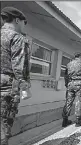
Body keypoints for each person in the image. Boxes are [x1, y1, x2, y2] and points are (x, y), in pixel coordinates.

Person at [1, 7, 31, 145]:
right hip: (7, 84)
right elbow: (18, 65)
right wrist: (24, 86)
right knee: (4, 124)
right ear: (17, 20)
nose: (25, 26)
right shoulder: (17, 37)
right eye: (24, 22)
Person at [62, 52, 81, 127]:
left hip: (70, 84)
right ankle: (78, 120)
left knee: (68, 102)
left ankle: (65, 120)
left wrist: (67, 84)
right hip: (79, 84)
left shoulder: (69, 64)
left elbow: (66, 76)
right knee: (79, 101)